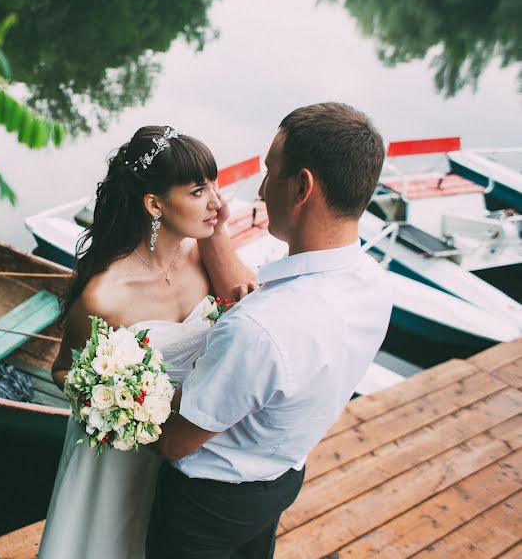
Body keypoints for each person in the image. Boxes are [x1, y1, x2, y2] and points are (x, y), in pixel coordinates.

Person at [147, 102, 393, 559]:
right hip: (278, 481)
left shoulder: (260, 329)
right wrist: (215, 230)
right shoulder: (373, 285)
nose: (260, 189)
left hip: (205, 509)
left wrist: (126, 381)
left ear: (302, 186)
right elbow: (261, 303)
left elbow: (176, 443)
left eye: (270, 172)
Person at [39, 126, 254, 559]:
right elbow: (62, 368)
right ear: (154, 205)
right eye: (198, 191)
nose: (219, 202)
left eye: (215, 184)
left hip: (190, 446)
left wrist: (218, 231)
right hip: (122, 453)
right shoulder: (104, 295)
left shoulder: (203, 254)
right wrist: (120, 405)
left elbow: (243, 299)